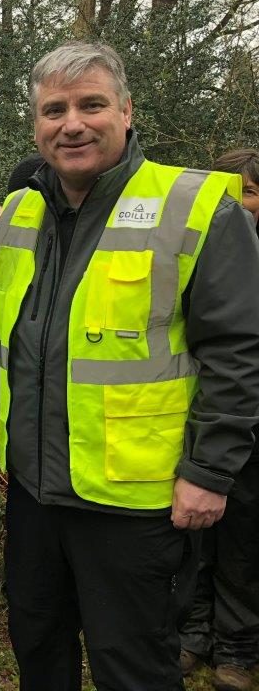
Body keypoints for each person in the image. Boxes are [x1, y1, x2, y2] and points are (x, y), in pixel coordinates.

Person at [0, 40, 259, 690]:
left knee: (132, 667)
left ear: (127, 111)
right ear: (36, 126)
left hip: (137, 505)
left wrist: (210, 471)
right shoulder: (21, 211)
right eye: (54, 109)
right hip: (33, 495)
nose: (72, 123)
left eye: (92, 104)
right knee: (39, 653)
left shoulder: (194, 207)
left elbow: (239, 348)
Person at [179, 149, 259, 691]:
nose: (240, 203)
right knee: (194, 537)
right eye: (231, 192)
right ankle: (192, 632)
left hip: (247, 424)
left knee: (243, 541)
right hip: (196, 418)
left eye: (249, 191)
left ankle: (238, 645)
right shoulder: (198, 247)